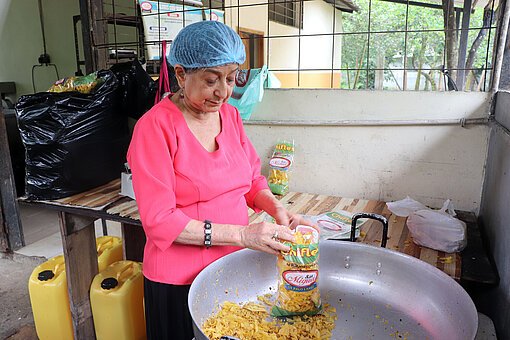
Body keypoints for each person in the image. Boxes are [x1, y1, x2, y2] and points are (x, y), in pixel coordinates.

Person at [127, 20, 316, 340]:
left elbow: (251, 179)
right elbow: (159, 221)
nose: (224, 92)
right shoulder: (154, 128)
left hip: (232, 268)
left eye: (231, 79)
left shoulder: (229, 116)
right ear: (181, 75)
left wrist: (275, 209)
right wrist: (243, 234)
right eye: (211, 80)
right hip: (178, 282)